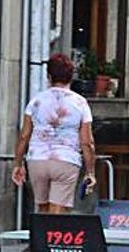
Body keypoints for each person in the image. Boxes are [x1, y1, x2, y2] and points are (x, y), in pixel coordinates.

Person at [11, 54, 96, 214]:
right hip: (66, 160)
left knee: (42, 210)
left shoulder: (36, 101)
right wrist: (90, 171)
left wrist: (18, 163)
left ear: (48, 76)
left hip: (37, 159)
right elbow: (87, 142)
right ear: (71, 77)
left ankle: (41, 238)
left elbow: (24, 136)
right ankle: (53, 238)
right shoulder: (80, 103)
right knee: (57, 214)